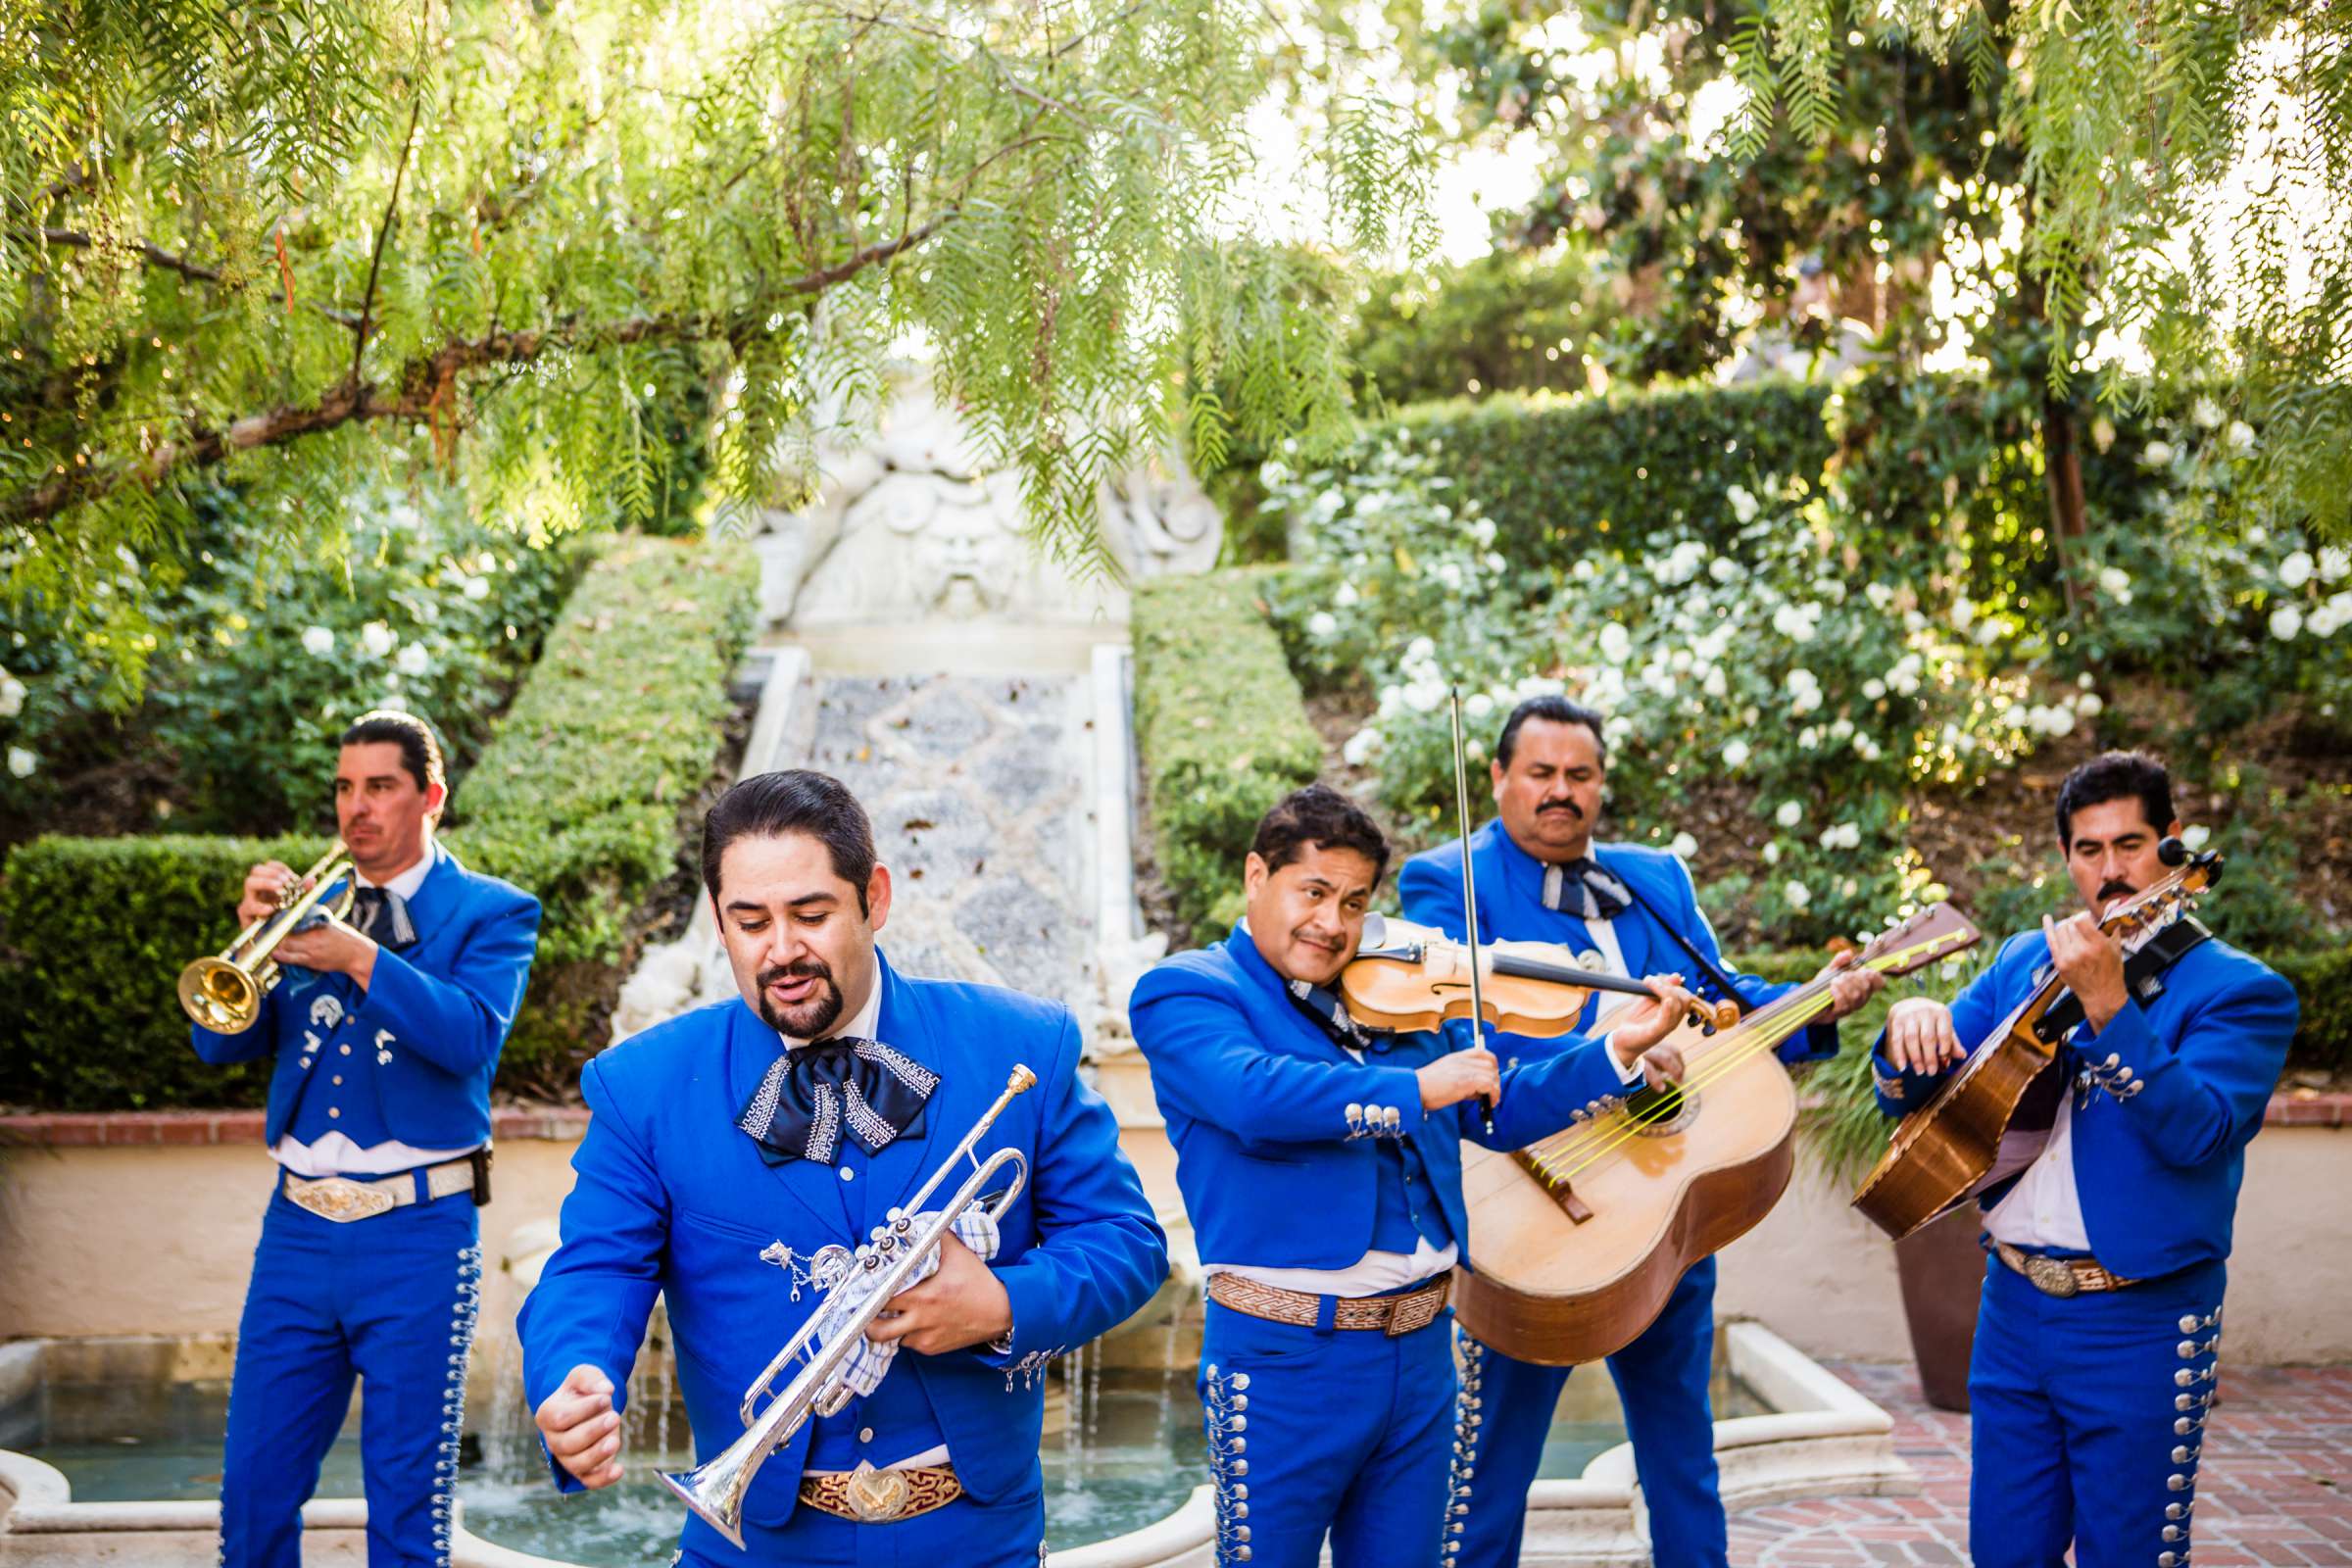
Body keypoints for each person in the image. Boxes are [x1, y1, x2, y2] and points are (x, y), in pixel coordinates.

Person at [519, 769, 1167, 1565]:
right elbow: (594, 1270)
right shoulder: (642, 1086)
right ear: (718, 926)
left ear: (876, 899)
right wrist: (573, 1372)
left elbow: (1126, 1241)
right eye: (749, 922)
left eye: (812, 914)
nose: (782, 950)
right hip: (752, 1546)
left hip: (976, 1539)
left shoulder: (1023, 1044)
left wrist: (1003, 1303)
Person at [1128, 783, 1699, 1568]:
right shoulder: (1189, 990)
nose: (1333, 924)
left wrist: (1614, 1053)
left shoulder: (1395, 1002)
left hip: (1423, 1351)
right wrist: (1419, 1089)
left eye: (1355, 902)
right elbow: (1252, 1094)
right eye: (1315, 892)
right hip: (1286, 1357)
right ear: (1257, 877)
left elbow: (1494, 1106)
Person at [1398, 695, 1883, 1568]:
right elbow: (1462, 1033)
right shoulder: (1450, 879)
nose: (1560, 792)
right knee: (1489, 1468)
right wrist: (1607, 1055)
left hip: (1660, 1208)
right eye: (1540, 773)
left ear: (1601, 784)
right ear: (1500, 778)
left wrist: (1817, 1001)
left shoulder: (1653, 877)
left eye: (1578, 775)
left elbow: (1725, 1003)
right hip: (1534, 1205)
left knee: (1682, 1457)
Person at [1872, 751, 2298, 1568]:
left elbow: (2199, 1133)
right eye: (2089, 850)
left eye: (2131, 844)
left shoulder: (2241, 991)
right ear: (2066, 857)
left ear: (2172, 843)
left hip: (2138, 1319)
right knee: (2004, 1553)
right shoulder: (2019, 965)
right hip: (2012, 1306)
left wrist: (2108, 1005)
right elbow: (1914, 1091)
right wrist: (1908, 1027)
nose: (2111, 871)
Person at [191, 709, 543, 1568]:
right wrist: (252, 938)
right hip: (298, 1233)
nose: (357, 807)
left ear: (431, 796)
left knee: (406, 1507)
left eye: (380, 786)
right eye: (345, 788)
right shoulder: (308, 909)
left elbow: (469, 1040)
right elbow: (217, 1043)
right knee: (253, 1492)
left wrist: (359, 958)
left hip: (418, 1236)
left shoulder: (492, 912)